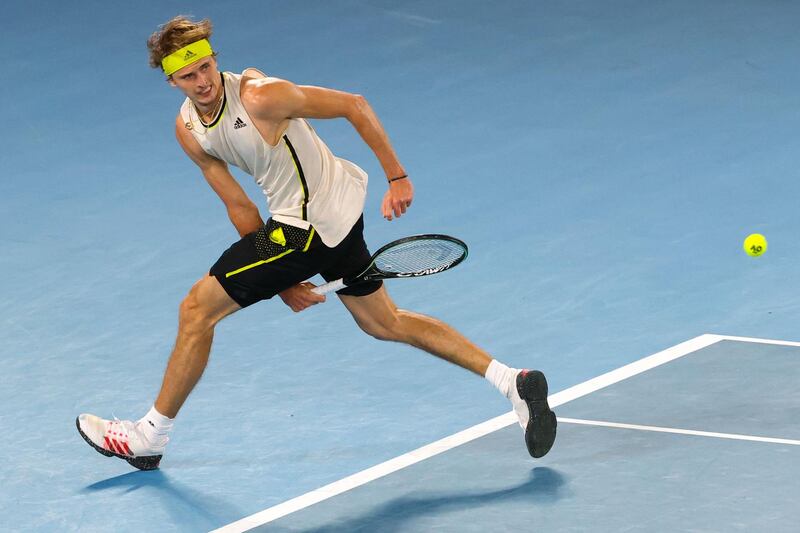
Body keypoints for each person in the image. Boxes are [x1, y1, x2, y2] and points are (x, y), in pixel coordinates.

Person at [76, 16, 556, 471]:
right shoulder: (189, 129)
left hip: (306, 227)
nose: (202, 82)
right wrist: (280, 281)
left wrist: (398, 176)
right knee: (383, 322)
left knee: (196, 310)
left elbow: (354, 104)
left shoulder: (261, 97)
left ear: (214, 59)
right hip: (331, 222)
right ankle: (513, 381)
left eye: (205, 67)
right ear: (172, 82)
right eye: (187, 76)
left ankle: (150, 436)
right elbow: (241, 207)